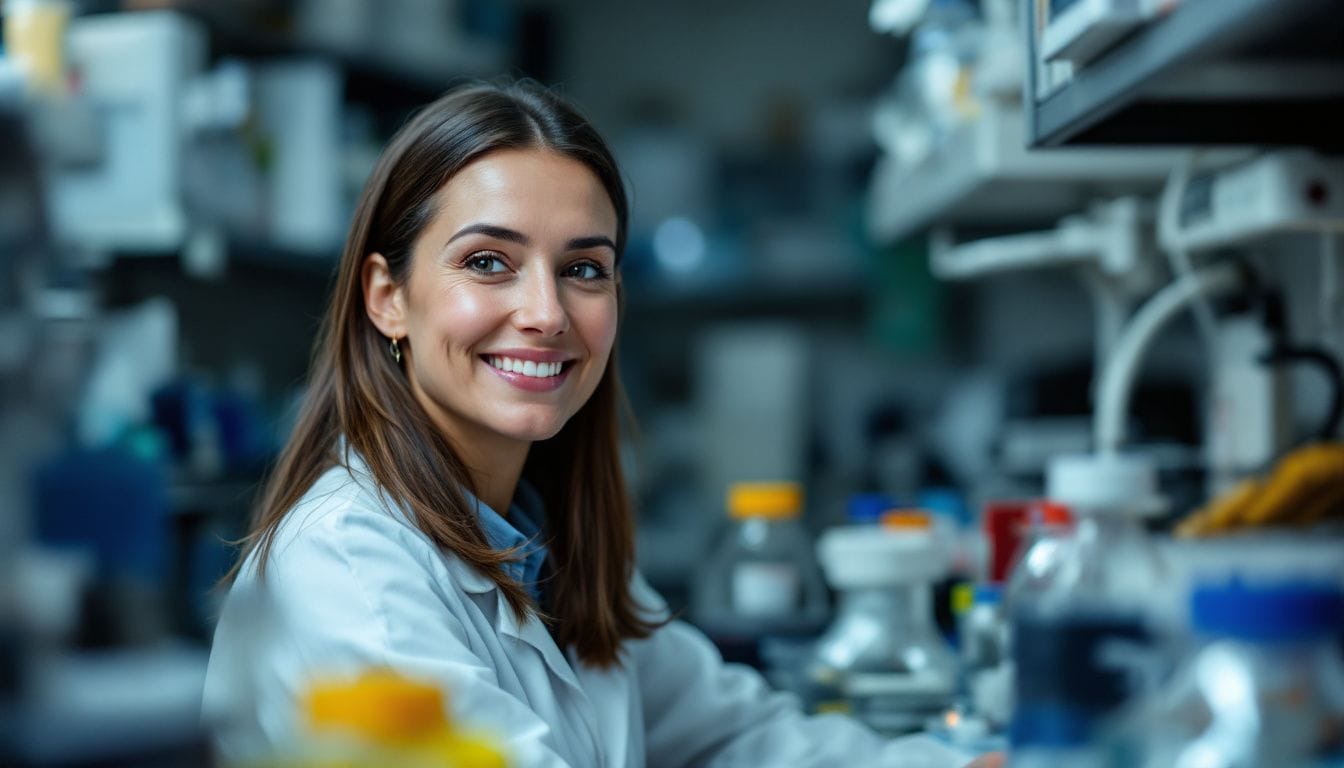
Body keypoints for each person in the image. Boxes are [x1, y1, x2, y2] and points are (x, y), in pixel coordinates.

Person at [202, 80, 1002, 768]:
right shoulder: (348, 568)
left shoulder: (542, 545)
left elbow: (746, 740)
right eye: (489, 262)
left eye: (584, 269)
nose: (547, 313)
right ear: (386, 297)